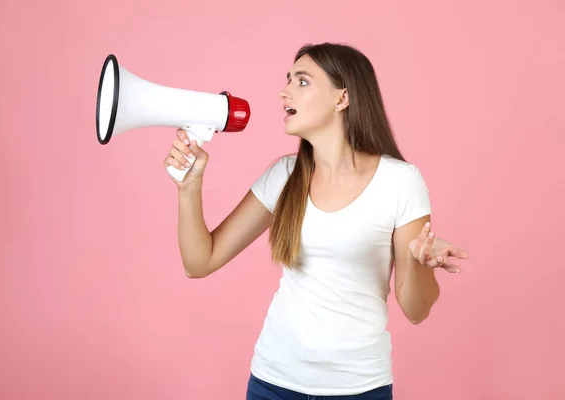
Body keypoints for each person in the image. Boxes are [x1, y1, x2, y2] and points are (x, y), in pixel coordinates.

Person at [164, 42, 469, 400]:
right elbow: (200, 262)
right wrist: (189, 187)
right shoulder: (283, 176)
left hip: (359, 388)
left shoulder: (401, 182)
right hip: (272, 383)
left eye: (302, 81)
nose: (284, 91)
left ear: (342, 98)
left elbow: (416, 311)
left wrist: (420, 264)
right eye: (288, 79)